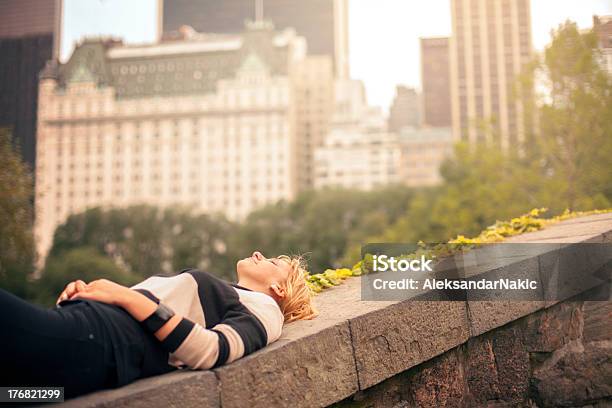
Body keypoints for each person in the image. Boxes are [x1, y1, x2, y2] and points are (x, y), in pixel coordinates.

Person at [0, 251, 317, 398]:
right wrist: (88, 296)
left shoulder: (265, 310)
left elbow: (211, 350)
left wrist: (125, 297)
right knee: (11, 395)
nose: (259, 254)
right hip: (87, 335)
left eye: (275, 263)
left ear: (279, 289)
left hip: (101, 342)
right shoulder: (238, 296)